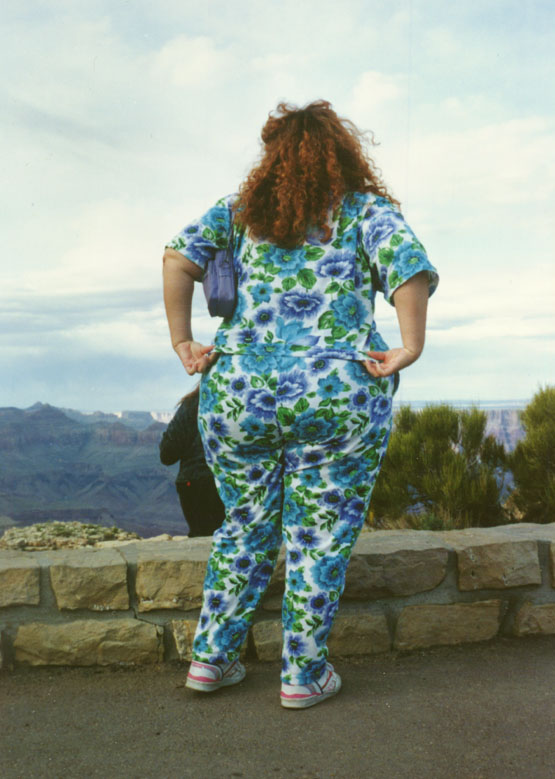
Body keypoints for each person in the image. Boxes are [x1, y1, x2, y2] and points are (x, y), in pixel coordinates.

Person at [162, 100, 438, 709]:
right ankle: (302, 674)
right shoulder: (366, 211)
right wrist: (408, 346)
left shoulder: (240, 214)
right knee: (318, 535)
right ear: (343, 153)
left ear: (271, 157)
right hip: (336, 390)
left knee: (245, 526)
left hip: (238, 393)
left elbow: (178, 259)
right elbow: (409, 270)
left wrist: (184, 341)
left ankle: (209, 661)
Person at [159, 387, 225, 537]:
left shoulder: (193, 403)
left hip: (196, 484)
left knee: (203, 538)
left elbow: (167, 455)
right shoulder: (245, 396)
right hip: (237, 482)